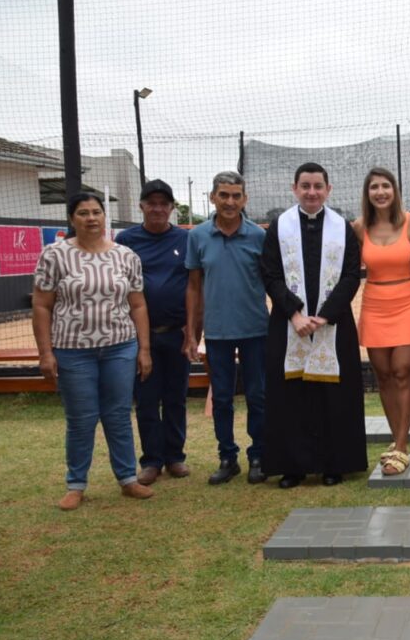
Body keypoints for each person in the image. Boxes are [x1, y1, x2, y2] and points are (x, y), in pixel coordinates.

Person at [32, 193, 154, 510]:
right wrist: (46, 352)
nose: (91, 218)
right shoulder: (54, 255)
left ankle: (128, 479)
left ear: (104, 216)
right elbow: (42, 306)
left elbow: (138, 305)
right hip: (73, 351)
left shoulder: (126, 256)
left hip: (120, 348)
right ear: (72, 219)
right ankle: (76, 484)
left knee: (118, 416)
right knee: (81, 419)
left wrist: (144, 349)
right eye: (83, 213)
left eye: (96, 212)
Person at [260, 162, 367, 488]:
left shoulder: (342, 228)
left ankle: (333, 464)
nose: (311, 192)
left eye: (318, 186)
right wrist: (294, 314)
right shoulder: (279, 227)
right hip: (289, 323)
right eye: (305, 186)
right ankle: (292, 466)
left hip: (332, 325)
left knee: (332, 396)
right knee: (291, 397)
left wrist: (325, 315)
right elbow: (270, 273)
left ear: (328, 190)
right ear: (294, 189)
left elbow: (352, 274)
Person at [184, 171, 269, 485]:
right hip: (217, 332)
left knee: (258, 396)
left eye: (236, 196)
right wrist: (191, 334)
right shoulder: (198, 236)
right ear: (213, 197)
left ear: (244, 199)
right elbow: (193, 287)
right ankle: (227, 457)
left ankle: (258, 455)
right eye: (224, 195)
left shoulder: (259, 236)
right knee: (221, 397)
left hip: (256, 330)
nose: (230, 202)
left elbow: (272, 282)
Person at [115, 179, 191, 485]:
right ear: (142, 206)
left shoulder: (186, 240)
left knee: (176, 398)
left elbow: (195, 286)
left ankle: (175, 457)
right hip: (138, 336)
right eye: (152, 203)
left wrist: (192, 328)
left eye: (164, 203)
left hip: (177, 333)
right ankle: (151, 461)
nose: (158, 208)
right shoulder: (126, 239)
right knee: (146, 399)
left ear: (172, 208)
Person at [352, 167, 410, 476]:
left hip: (408, 301)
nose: (380, 192)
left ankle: (402, 446)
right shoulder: (359, 227)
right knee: (382, 375)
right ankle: (397, 442)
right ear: (367, 194)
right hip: (374, 304)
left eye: (385, 186)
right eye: (374, 187)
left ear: (395, 190)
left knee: (402, 371)